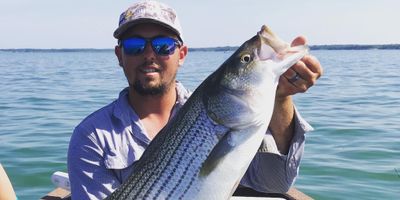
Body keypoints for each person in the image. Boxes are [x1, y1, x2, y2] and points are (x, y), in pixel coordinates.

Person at [67, 0, 323, 199]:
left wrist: (281, 99)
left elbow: (275, 182)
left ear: (182, 54)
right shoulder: (92, 136)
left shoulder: (237, 121)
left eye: (163, 45)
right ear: (119, 55)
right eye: (134, 45)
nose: (149, 55)